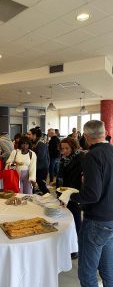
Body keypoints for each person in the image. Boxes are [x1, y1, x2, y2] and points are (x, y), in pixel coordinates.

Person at [60, 120, 113, 287]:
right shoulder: (111, 150)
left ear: (85, 136)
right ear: (104, 132)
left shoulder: (91, 155)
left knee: (87, 272)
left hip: (96, 220)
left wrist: (71, 194)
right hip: (110, 218)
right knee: (108, 269)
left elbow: (92, 194)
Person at [57, 137, 85, 259]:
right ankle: (70, 245)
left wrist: (67, 195)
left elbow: (77, 180)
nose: (64, 151)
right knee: (68, 219)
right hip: (65, 192)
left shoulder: (80, 158)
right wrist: (59, 191)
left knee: (76, 220)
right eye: (62, 148)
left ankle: (76, 248)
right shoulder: (64, 159)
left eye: (67, 148)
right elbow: (61, 176)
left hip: (74, 193)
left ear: (73, 147)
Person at [27, 128, 50, 194]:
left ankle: (48, 196)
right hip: (37, 167)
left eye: (29, 134)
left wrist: (27, 158)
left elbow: (40, 156)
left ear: (34, 135)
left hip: (42, 168)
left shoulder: (40, 144)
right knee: (34, 183)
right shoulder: (33, 143)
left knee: (41, 184)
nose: (28, 136)